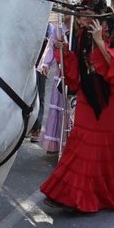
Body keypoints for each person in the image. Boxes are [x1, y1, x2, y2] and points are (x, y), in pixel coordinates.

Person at [40, 0, 114, 215]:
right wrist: (65, 52)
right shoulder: (81, 34)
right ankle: (71, 196)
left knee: (109, 142)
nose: (78, 18)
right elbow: (80, 69)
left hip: (110, 98)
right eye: (79, 14)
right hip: (87, 93)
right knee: (81, 141)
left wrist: (99, 42)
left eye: (83, 14)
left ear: (96, 14)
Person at [38, 18, 69, 155]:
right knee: (58, 107)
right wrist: (45, 64)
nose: (66, 15)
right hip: (60, 73)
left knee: (70, 111)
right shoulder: (58, 29)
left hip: (73, 74)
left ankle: (69, 143)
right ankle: (56, 143)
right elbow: (50, 47)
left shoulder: (79, 28)